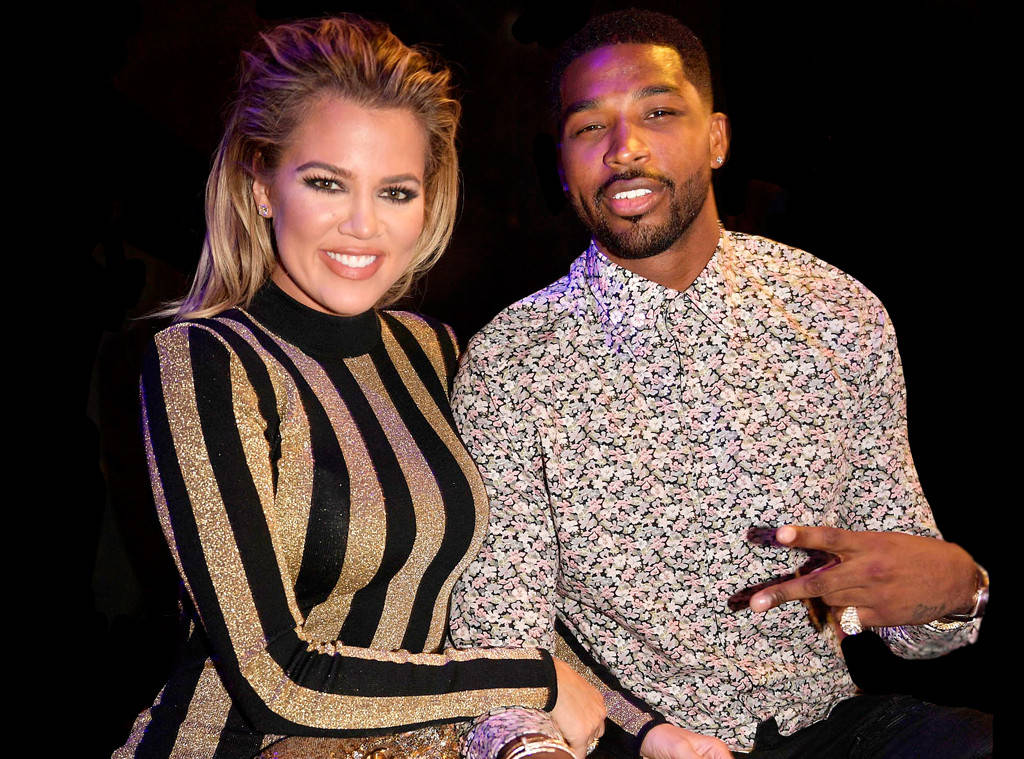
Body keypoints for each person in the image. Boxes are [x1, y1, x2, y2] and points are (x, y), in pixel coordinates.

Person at [449, 9, 991, 759]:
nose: (624, 148)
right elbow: (499, 637)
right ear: (562, 164)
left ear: (717, 138)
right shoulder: (512, 361)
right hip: (632, 741)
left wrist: (963, 590)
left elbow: (907, 618)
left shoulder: (836, 312)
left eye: (659, 112)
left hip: (833, 726)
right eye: (589, 127)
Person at [113, 15, 606, 759]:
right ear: (261, 185)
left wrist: (646, 726)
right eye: (326, 183)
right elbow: (275, 679)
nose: (363, 226)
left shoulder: (434, 351)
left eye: (396, 192)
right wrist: (532, 680)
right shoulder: (206, 361)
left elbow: (503, 595)